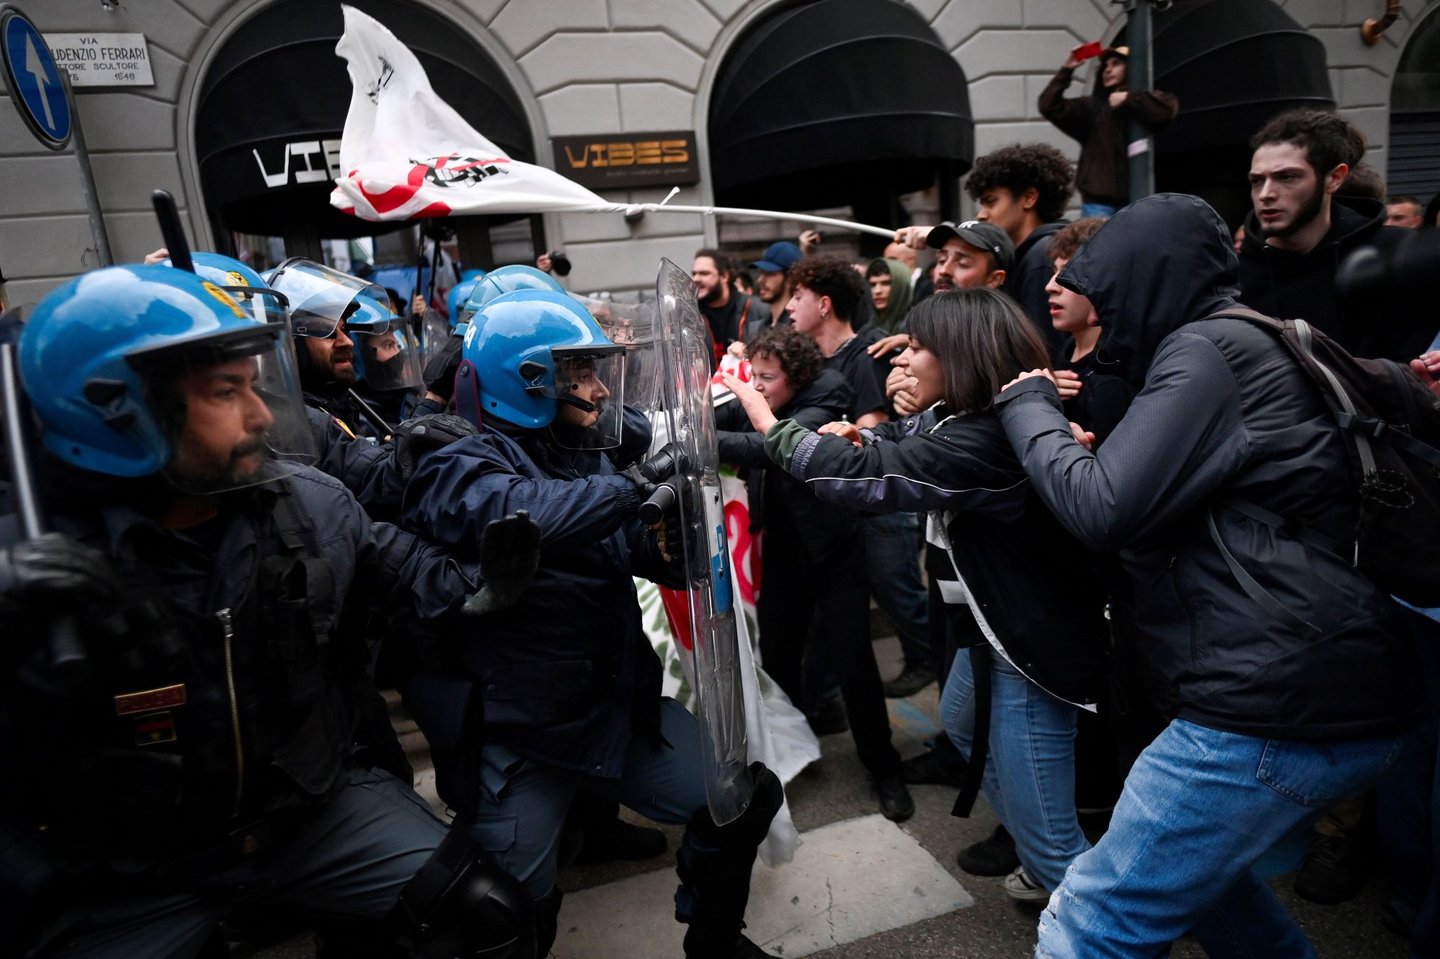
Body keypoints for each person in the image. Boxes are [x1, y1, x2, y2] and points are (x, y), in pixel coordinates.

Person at [1, 264, 535, 958]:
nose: (260, 416)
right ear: (123, 411)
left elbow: (390, 561)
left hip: (300, 815)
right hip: (128, 867)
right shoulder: (32, 565)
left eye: (255, 385)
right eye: (227, 392)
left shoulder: (304, 504)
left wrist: (476, 585)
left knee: (485, 915)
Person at [993, 192, 1426, 956]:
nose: (1098, 303)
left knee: (1087, 922)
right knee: (1210, 891)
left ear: (1141, 280)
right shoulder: (1270, 334)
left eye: (1107, 286)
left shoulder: (1208, 349)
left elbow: (1101, 506)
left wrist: (1028, 406)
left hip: (1267, 700)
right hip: (1332, 678)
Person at [398, 289, 785, 959]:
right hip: (526, 732)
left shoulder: (580, 446)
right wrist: (636, 485)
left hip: (610, 707)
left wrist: (671, 542)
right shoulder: (453, 460)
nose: (600, 391)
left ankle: (714, 939)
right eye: (581, 375)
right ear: (531, 380)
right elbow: (529, 517)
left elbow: (616, 536)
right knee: (502, 914)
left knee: (740, 797)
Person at [720, 289, 1110, 904]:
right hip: (997, 632)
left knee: (1053, 830)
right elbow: (901, 444)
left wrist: (759, 410)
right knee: (958, 720)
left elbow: (860, 477)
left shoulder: (986, 435)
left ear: (962, 356)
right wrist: (863, 436)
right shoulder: (966, 415)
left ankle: (1076, 889)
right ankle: (1044, 853)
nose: (899, 364)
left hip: (1030, 649)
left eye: (916, 349)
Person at [714, 326, 912, 821]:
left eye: (768, 377)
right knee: (779, 658)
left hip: (834, 549)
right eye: (753, 375)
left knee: (854, 662)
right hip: (784, 548)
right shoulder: (766, 390)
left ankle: (883, 767)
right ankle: (784, 759)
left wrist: (704, 438)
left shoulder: (827, 393)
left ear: (796, 376)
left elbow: (767, 446)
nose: (757, 386)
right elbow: (731, 414)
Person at [788, 254, 935, 699]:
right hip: (841, 507)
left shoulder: (868, 353)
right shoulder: (810, 357)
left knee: (897, 588)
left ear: (826, 304)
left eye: (798, 296)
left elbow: (869, 431)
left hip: (876, 505)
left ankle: (926, 659)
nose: (790, 306)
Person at [1238, 108, 1433, 362]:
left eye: (1286, 177)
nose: (1266, 194)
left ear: (1334, 179)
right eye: (1256, 181)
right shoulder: (1233, 278)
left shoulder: (1395, 257)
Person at [1038, 44, 1178, 217]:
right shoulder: (1093, 107)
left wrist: (1128, 99)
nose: (1108, 69)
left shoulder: (1148, 100)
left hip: (1140, 201)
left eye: (1116, 63)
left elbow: (1165, 111)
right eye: (1105, 66)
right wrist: (1067, 69)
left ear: (1132, 67)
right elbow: (1048, 105)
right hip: (1099, 206)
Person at [693, 250, 769, 366]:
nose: (696, 279)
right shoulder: (690, 315)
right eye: (694, 273)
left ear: (724, 276)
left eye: (704, 273)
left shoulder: (757, 308)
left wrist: (747, 351)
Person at [750, 241, 803, 332]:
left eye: (770, 273)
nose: (760, 280)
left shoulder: (797, 327)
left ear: (789, 278)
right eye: (761, 272)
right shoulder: (759, 327)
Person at [865, 257, 915, 334]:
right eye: (873, 285)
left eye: (886, 283)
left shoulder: (918, 326)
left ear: (901, 286)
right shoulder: (866, 329)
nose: (877, 291)